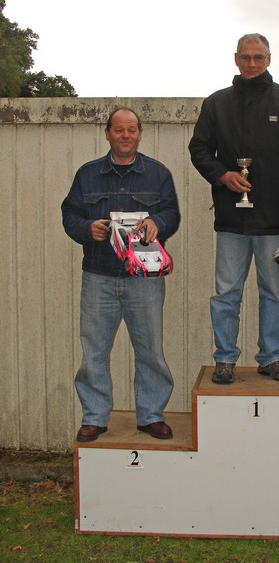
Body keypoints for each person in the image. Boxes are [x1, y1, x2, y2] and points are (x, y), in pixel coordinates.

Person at [189, 33, 279, 385]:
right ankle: (224, 359)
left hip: (276, 219)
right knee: (226, 293)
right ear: (235, 59)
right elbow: (199, 150)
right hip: (231, 219)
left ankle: (272, 357)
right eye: (246, 57)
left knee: (273, 293)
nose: (252, 63)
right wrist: (223, 175)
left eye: (258, 57)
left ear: (269, 59)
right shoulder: (216, 103)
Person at [62, 107, 180, 442]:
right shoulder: (87, 174)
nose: (125, 136)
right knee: (93, 352)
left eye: (131, 130)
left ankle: (151, 415)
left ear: (140, 133)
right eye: (119, 130)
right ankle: (94, 417)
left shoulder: (158, 174)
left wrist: (158, 223)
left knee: (150, 351)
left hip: (144, 279)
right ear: (107, 133)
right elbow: (69, 213)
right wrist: (87, 228)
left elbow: (171, 213)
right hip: (98, 276)